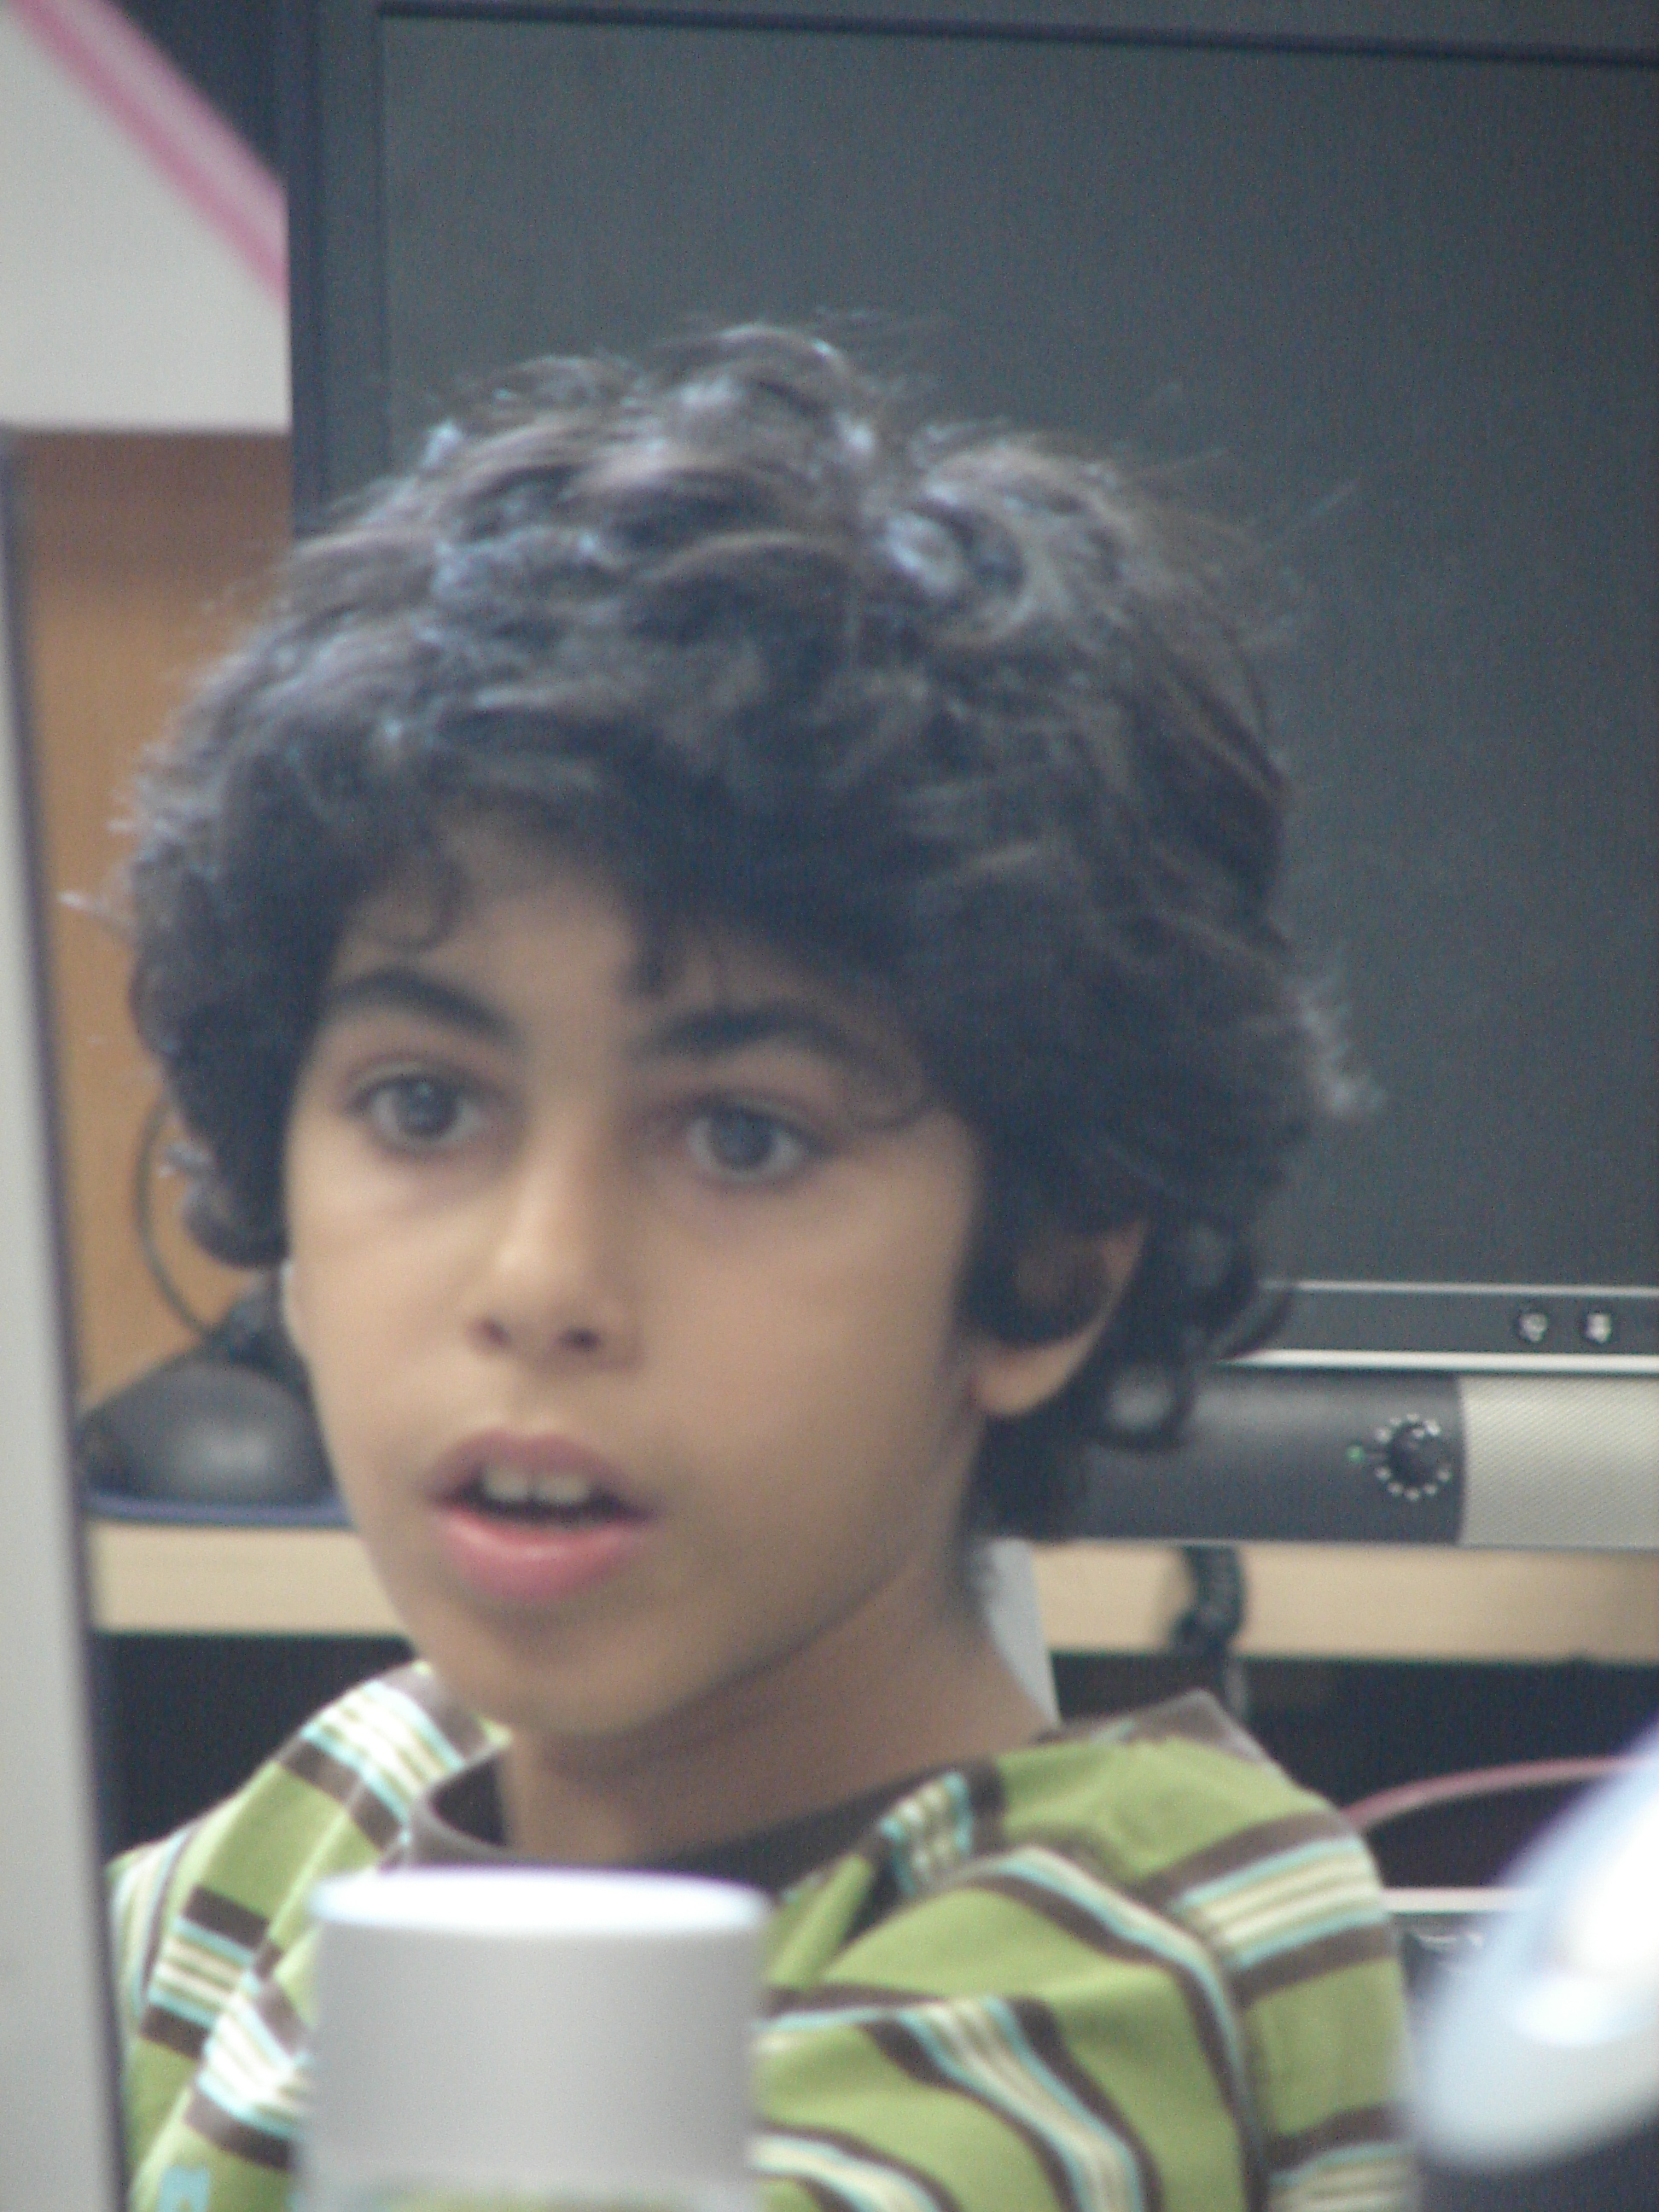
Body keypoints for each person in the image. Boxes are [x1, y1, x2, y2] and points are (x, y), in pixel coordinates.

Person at [109, 327, 1409, 2212]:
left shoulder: (1141, 1945)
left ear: (1046, 1265)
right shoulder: (334, 1813)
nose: (540, 1279)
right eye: (422, 1105)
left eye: (743, 1136)